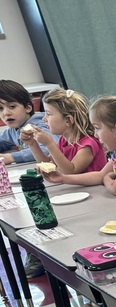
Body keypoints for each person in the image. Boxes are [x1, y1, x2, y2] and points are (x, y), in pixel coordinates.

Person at [1, 79, 57, 278]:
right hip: (38, 181)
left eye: (11, 106)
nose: (6, 113)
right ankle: (36, 250)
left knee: (36, 213)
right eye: (0, 109)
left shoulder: (39, 123)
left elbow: (46, 149)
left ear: (27, 107)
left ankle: (40, 255)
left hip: (55, 181)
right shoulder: (13, 130)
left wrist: (11, 157)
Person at [22, 88, 106, 175]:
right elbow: (48, 164)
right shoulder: (64, 140)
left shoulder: (88, 144)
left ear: (68, 120)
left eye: (48, 114)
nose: (44, 119)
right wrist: (32, 144)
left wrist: (49, 144)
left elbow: (71, 171)